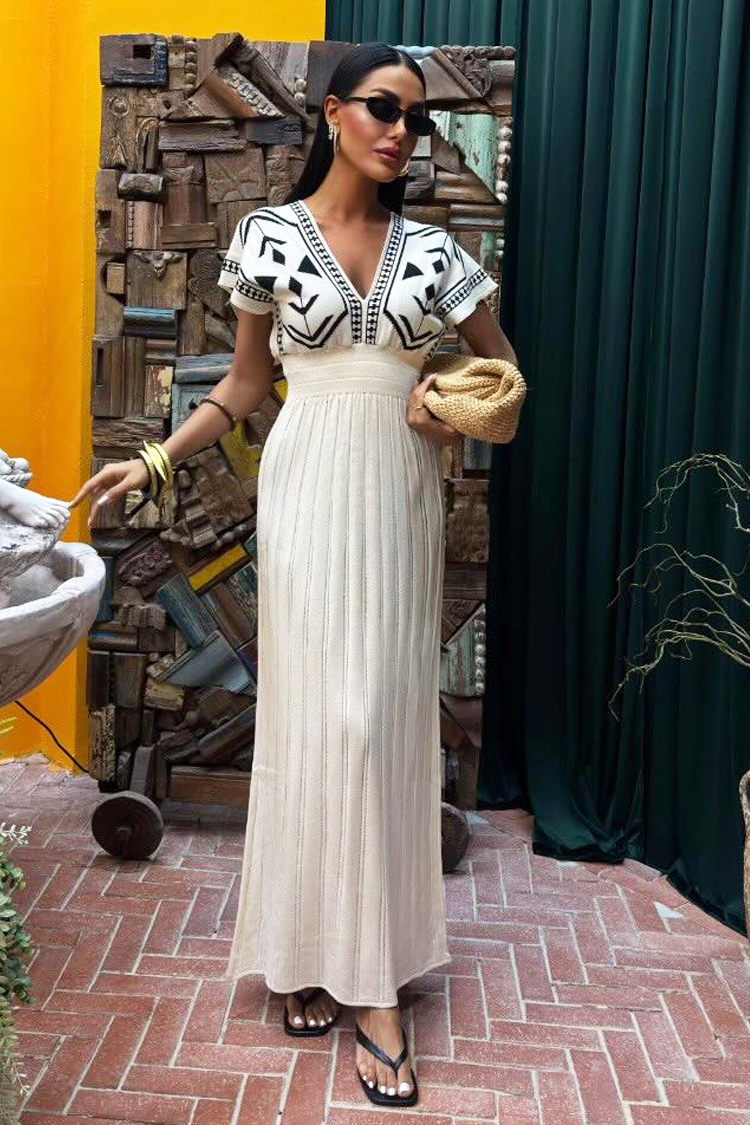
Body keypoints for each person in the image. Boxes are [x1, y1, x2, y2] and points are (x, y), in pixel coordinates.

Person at [70, 40, 518, 1108]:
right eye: (382, 108)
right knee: (316, 716)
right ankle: (306, 948)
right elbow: (244, 384)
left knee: (379, 719)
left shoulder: (434, 252)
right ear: (331, 113)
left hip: (398, 491)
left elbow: (502, 368)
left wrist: (444, 404)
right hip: (308, 482)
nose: (401, 132)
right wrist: (156, 459)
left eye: (415, 118)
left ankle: (377, 983)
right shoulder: (268, 237)